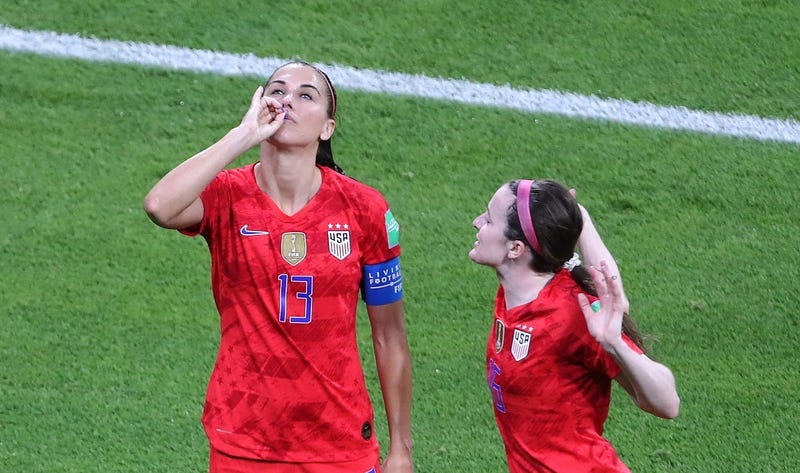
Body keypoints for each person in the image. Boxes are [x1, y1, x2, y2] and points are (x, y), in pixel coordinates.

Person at [143, 61, 413, 473]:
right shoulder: (227, 195)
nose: (288, 100)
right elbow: (160, 206)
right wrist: (243, 135)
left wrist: (401, 450)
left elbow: (389, 336)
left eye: (307, 95)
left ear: (327, 128)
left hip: (338, 444)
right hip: (244, 441)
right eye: (278, 91)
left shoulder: (365, 211)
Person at [469, 179, 680, 473]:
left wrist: (615, 343)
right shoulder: (514, 291)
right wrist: (578, 217)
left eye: (489, 220)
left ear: (516, 248)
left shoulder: (573, 313)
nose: (476, 222)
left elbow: (668, 403)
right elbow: (603, 282)